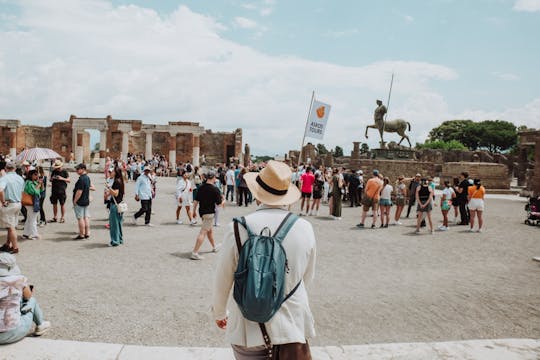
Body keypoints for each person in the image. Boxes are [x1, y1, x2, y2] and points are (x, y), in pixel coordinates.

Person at [212, 160, 316, 359]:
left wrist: (219, 312)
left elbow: (223, 277)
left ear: (257, 193)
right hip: (290, 326)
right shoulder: (305, 228)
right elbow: (307, 278)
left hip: (248, 326)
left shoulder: (238, 228)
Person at [0, 253, 51, 344]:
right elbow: (28, 297)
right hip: (14, 332)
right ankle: (41, 325)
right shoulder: (20, 279)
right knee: (32, 301)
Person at [190, 172, 223, 260]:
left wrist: (193, 211)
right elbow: (219, 204)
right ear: (213, 178)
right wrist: (224, 201)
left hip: (202, 212)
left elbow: (196, 201)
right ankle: (195, 252)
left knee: (209, 230)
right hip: (209, 213)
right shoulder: (215, 189)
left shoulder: (201, 187)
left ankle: (214, 246)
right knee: (203, 232)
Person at [0, 163, 24, 254]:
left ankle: (15, 247)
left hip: (9, 204)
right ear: (14, 169)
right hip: (18, 203)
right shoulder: (20, 178)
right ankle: (7, 244)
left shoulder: (4, 178)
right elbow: (22, 191)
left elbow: (0, 190)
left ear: (6, 168)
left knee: (10, 227)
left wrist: (2, 202)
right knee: (11, 225)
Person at [73, 163, 94, 240]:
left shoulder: (81, 179)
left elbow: (79, 191)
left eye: (78, 169)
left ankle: (81, 234)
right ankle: (87, 233)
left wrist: (75, 201)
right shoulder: (87, 178)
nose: (76, 171)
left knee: (80, 218)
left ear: (83, 169)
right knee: (86, 217)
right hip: (86, 200)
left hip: (80, 201)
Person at [104, 167, 125, 247]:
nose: (111, 172)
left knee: (114, 225)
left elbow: (115, 193)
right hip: (119, 204)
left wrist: (109, 188)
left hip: (115, 205)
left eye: (112, 171)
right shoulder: (121, 181)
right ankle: (119, 239)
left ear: (115, 173)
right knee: (118, 224)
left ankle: (115, 241)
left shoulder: (116, 181)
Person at [22, 170, 43, 240]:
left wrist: (40, 184)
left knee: (29, 218)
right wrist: (39, 185)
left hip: (33, 202)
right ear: (31, 175)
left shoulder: (33, 182)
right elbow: (34, 192)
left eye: (38, 174)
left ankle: (26, 233)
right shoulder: (29, 183)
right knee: (33, 219)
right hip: (31, 202)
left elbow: (41, 191)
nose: (37, 176)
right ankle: (34, 234)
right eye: (35, 174)